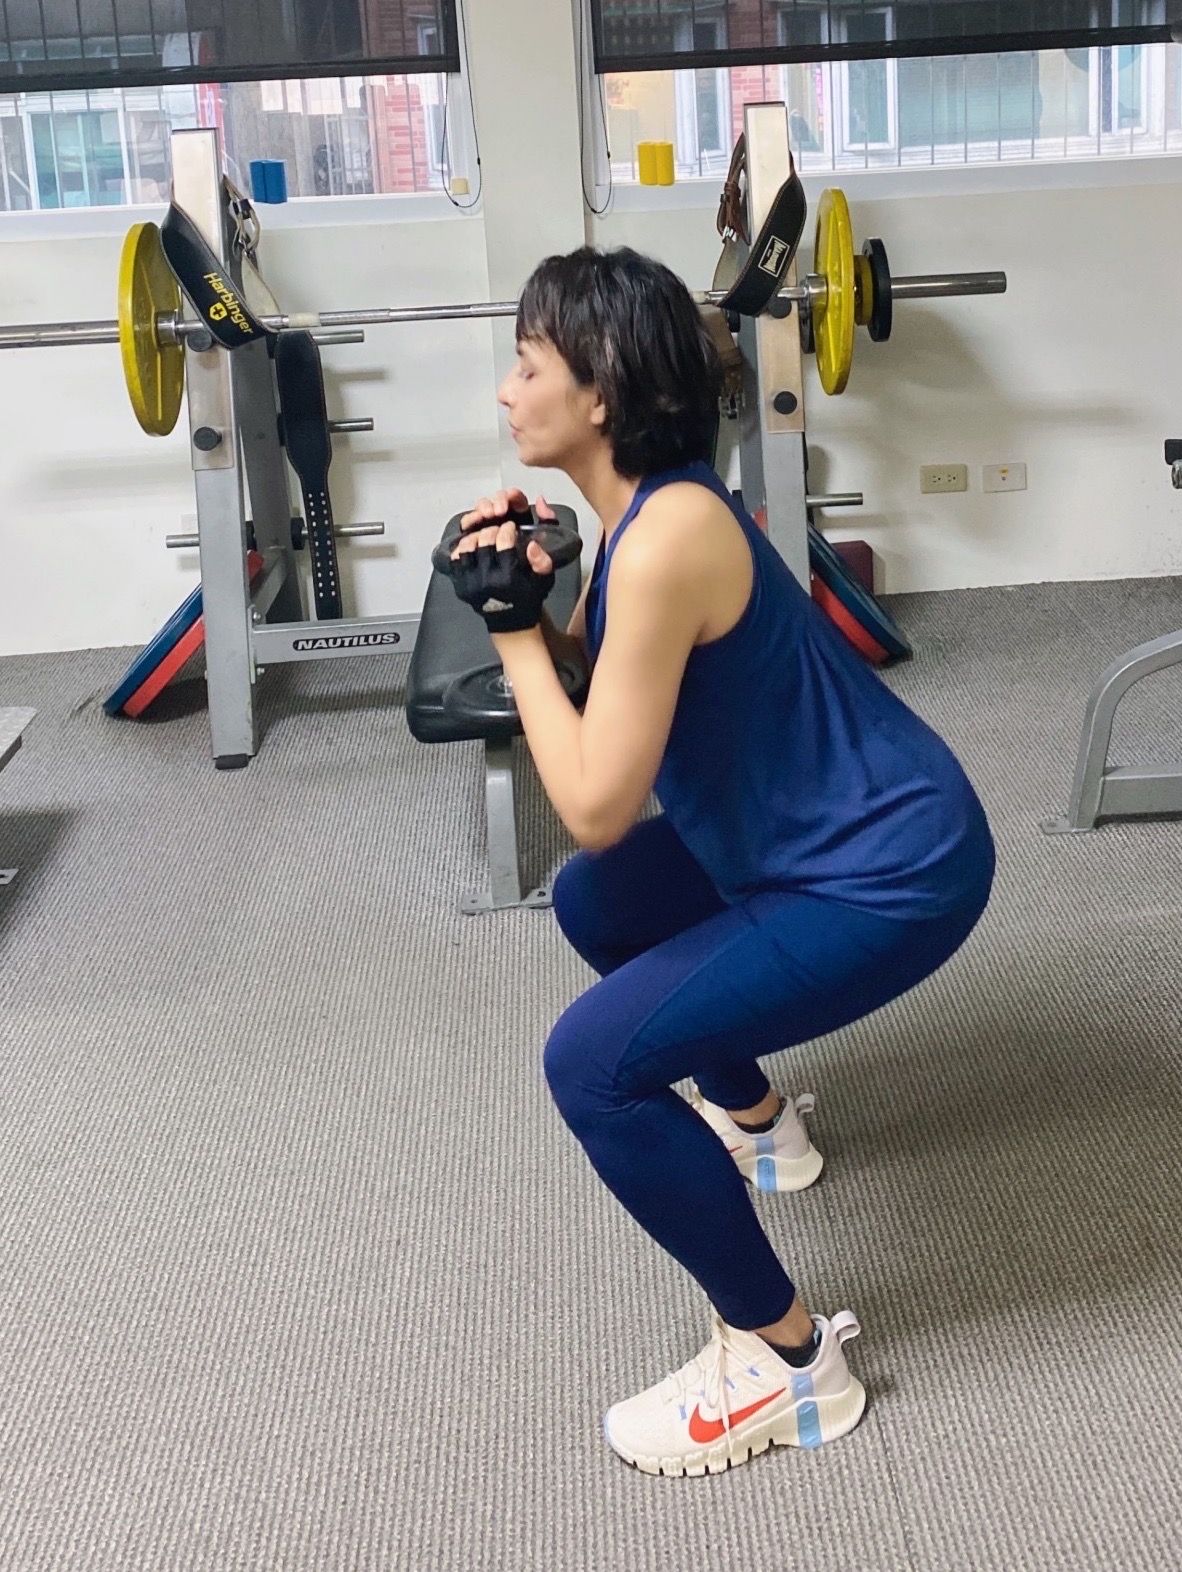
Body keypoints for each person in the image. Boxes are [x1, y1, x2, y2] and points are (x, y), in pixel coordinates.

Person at [448, 246, 995, 1478]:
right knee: (600, 905)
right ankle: (757, 1125)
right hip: (799, 834)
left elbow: (594, 801)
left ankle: (786, 1363)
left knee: (591, 1068)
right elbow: (609, 707)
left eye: (525, 365)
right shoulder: (647, 511)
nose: (506, 390)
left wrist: (511, 634)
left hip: (884, 875)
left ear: (598, 392)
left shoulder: (666, 538)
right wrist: (532, 595)